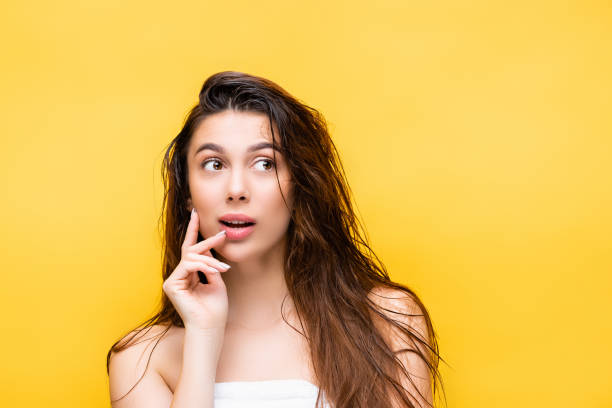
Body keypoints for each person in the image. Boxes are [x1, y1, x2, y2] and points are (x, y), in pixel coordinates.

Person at [106, 71, 445, 408]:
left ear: (299, 186)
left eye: (265, 164)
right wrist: (203, 338)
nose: (236, 190)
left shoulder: (387, 320)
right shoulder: (139, 361)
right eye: (213, 164)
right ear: (187, 194)